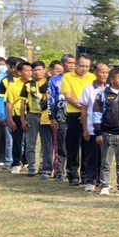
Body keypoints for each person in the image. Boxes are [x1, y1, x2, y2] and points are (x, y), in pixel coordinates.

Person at [61, 54, 96, 187]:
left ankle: (86, 174)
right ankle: (72, 174)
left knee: (87, 145)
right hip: (74, 114)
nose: (84, 69)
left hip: (89, 114)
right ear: (76, 64)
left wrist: (86, 111)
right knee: (73, 145)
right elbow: (68, 96)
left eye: (87, 66)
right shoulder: (67, 77)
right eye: (82, 66)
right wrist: (82, 108)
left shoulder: (92, 77)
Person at [78, 62, 111, 191]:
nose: (104, 75)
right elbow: (84, 110)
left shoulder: (110, 89)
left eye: (106, 72)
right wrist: (85, 129)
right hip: (93, 129)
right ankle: (90, 181)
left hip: (108, 129)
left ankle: (103, 181)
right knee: (92, 155)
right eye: (102, 72)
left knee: (105, 158)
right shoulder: (89, 90)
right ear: (96, 73)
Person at [98, 68, 119, 195]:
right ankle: (104, 185)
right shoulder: (103, 94)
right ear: (112, 79)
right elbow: (97, 113)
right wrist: (98, 132)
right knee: (106, 162)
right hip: (107, 133)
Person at [4, 60, 35, 176]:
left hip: (30, 115)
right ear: (20, 72)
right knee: (17, 140)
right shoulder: (13, 86)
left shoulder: (34, 84)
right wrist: (10, 119)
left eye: (30, 70)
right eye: (26, 70)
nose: (29, 73)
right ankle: (16, 163)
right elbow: (9, 104)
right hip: (17, 115)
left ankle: (27, 162)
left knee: (29, 141)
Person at [47, 55, 73, 183]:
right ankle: (60, 172)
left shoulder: (78, 79)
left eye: (74, 63)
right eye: (69, 63)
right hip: (60, 117)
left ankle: (73, 173)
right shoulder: (54, 81)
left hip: (75, 117)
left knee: (74, 147)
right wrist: (52, 117)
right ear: (63, 65)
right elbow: (50, 100)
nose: (71, 65)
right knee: (61, 147)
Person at [31, 61, 53, 177]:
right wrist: (49, 79)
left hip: (57, 117)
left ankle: (58, 170)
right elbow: (43, 89)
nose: (37, 72)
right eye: (35, 70)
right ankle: (44, 167)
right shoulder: (32, 84)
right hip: (42, 116)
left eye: (39, 69)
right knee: (45, 144)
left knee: (56, 146)